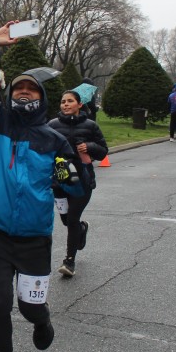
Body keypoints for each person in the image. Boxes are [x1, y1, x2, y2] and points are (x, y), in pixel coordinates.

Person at [0, 22, 79, 352]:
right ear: (10, 94)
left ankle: (41, 319)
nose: (25, 93)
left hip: (34, 238)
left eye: (32, 89)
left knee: (29, 307)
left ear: (41, 97)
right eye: (19, 88)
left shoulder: (54, 140)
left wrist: (70, 177)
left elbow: (74, 183)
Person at [48, 90, 107, 278]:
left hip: (82, 179)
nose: (65, 104)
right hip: (60, 179)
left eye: (70, 101)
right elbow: (43, 150)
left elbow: (103, 152)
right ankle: (81, 229)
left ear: (79, 105)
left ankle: (69, 261)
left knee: (72, 218)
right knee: (67, 220)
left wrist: (89, 147)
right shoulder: (52, 125)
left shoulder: (90, 125)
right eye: (63, 101)